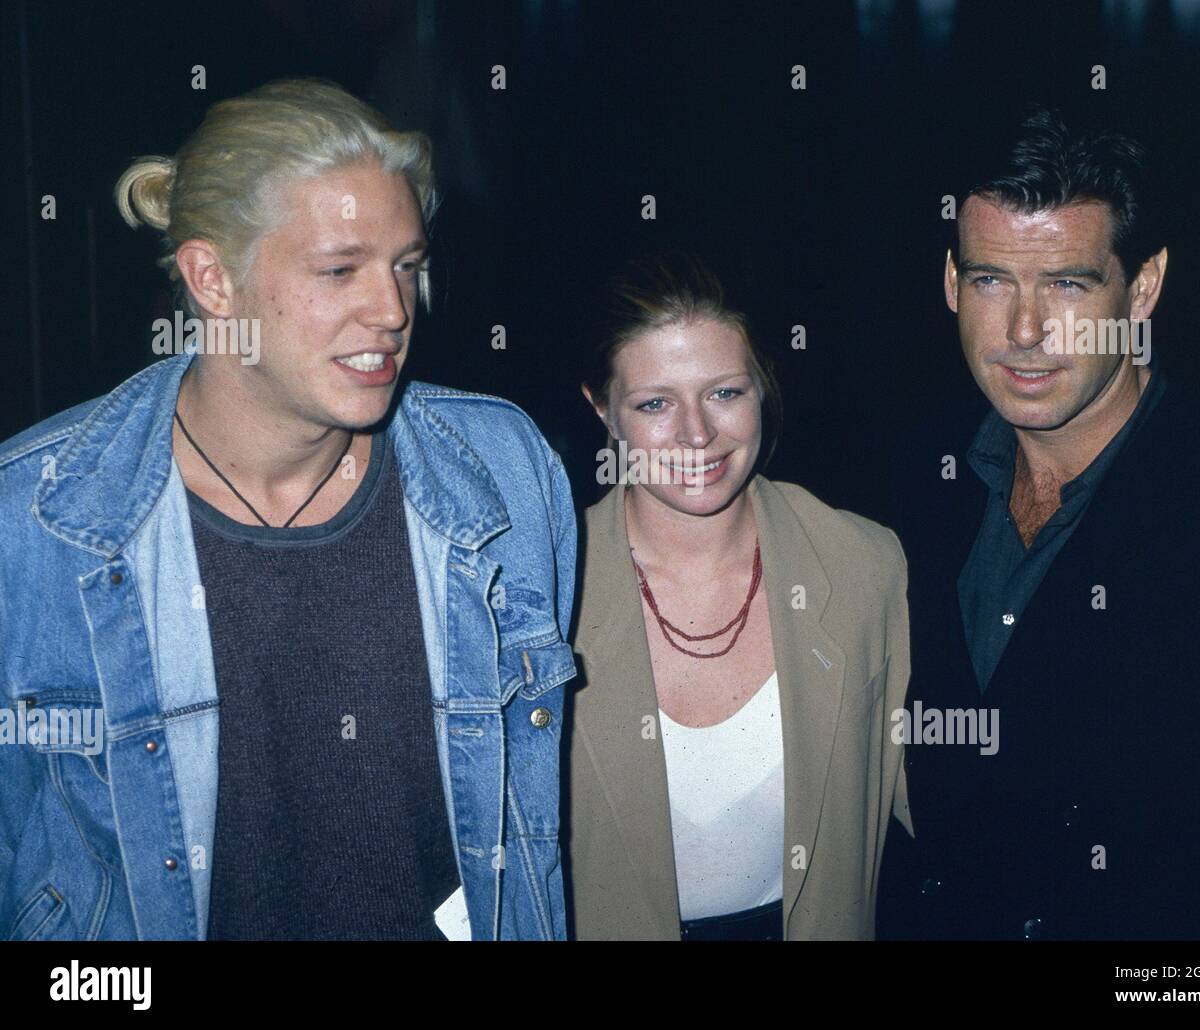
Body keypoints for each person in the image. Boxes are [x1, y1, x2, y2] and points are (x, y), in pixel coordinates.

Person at [0, 78, 578, 941]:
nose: (392, 312)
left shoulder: (504, 471)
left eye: (407, 267)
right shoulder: (35, 518)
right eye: (340, 269)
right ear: (212, 281)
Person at [876, 106, 1200, 940]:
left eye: (1068, 284)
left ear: (1142, 288)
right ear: (953, 282)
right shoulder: (906, 486)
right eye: (993, 280)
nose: (1025, 332)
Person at [563, 253, 911, 940]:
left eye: (725, 393)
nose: (696, 434)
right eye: (654, 403)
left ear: (763, 388)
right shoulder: (539, 591)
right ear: (602, 408)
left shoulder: (867, 567)